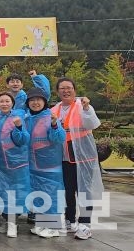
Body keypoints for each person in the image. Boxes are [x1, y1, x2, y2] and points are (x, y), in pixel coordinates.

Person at [51, 77, 104, 240]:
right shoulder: (55, 109)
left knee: (84, 191)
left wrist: (88, 109)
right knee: (67, 190)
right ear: (57, 91)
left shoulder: (83, 106)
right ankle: (69, 220)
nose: (66, 91)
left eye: (69, 88)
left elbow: (93, 124)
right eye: (62, 88)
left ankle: (85, 224)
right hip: (64, 157)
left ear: (74, 89)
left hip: (82, 156)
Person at [23, 87, 67, 238]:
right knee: (39, 194)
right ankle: (42, 224)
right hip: (33, 164)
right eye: (32, 100)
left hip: (49, 165)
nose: (35, 102)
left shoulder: (51, 117)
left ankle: (54, 227)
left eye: (38, 100)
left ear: (44, 102)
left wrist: (55, 125)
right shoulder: (27, 118)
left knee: (52, 194)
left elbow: (59, 138)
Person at [0, 92, 30, 238]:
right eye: (1, 101)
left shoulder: (18, 118)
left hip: (15, 164)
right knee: (1, 192)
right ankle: (7, 221)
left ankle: (13, 223)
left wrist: (18, 128)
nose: (4, 104)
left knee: (14, 193)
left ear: (12, 103)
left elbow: (23, 140)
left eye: (7, 101)